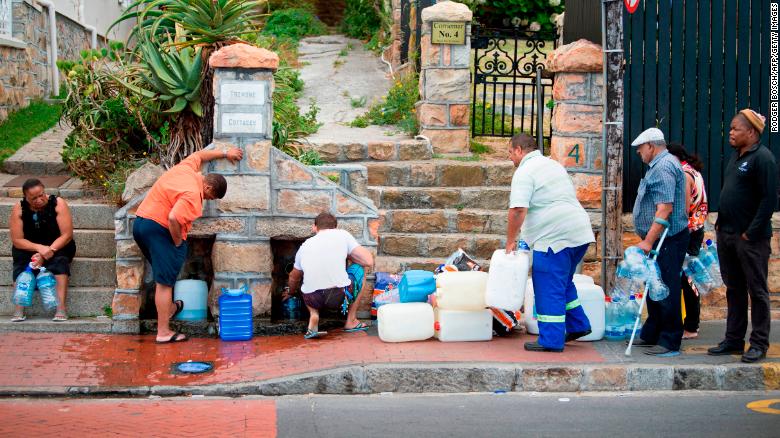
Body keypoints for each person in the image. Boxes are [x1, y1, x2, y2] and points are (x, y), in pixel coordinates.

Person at [133, 147, 242, 343]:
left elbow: (200, 155)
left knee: (163, 274)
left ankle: (172, 309)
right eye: (211, 198)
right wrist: (176, 241)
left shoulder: (187, 169)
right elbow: (174, 217)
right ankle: (163, 333)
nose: (208, 200)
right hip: (159, 229)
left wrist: (226, 153)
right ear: (208, 188)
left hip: (140, 223)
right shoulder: (193, 194)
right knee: (164, 282)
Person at [505, 133, 595, 353]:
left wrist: (510, 241)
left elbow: (518, 210)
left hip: (554, 237)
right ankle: (578, 325)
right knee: (562, 282)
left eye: (509, 153)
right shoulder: (553, 165)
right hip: (579, 232)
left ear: (518, 150)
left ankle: (551, 340)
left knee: (547, 285)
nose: (510, 159)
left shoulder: (524, 171)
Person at [708, 109, 777, 363]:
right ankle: (734, 340)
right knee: (734, 289)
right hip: (727, 235)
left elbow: (769, 200)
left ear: (751, 132)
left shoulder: (763, 159)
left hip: (750, 239)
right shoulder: (736, 158)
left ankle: (759, 343)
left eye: (736, 129)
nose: (731, 133)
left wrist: (751, 233)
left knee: (757, 291)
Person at [630, 128, 690, 356]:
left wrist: (647, 241)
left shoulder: (664, 167)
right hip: (661, 239)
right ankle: (651, 333)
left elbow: (664, 208)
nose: (638, 153)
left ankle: (669, 339)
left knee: (665, 287)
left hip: (668, 239)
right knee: (653, 285)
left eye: (640, 149)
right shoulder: (660, 165)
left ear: (651, 146)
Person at [283, 212, 374, 339]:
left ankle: (314, 314)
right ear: (335, 228)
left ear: (314, 227)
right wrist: (347, 254)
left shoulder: (304, 246)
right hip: (339, 296)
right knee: (360, 268)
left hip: (313, 299)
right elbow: (368, 261)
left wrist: (291, 292)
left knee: (305, 282)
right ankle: (351, 321)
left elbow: (294, 277)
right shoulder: (342, 235)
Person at [9, 178, 75, 322]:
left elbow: (67, 235)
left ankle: (61, 308)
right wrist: (39, 249)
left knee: (60, 262)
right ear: (26, 197)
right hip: (30, 247)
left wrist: (47, 252)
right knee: (20, 263)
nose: (40, 199)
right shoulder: (19, 209)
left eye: (42, 195)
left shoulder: (58, 204)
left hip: (57, 245)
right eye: (34, 198)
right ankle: (19, 308)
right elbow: (17, 240)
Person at [667, 143, 708, 340]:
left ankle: (691, 326)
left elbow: (682, 209)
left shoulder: (684, 174)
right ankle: (692, 323)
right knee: (689, 277)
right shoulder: (694, 171)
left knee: (686, 279)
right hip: (697, 229)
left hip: (688, 231)